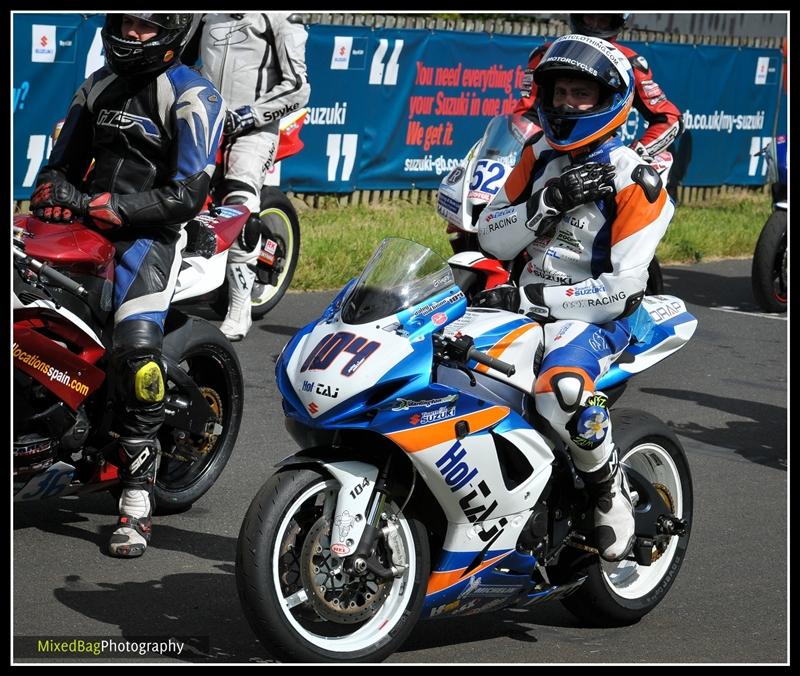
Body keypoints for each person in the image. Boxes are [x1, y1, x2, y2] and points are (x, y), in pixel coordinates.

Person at [29, 13, 225, 557]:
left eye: (144, 27)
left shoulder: (194, 96)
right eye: (124, 24)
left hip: (151, 238)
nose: (130, 36)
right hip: (82, 227)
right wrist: (53, 191)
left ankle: (136, 495)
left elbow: (188, 193)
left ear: (172, 32)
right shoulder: (96, 84)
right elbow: (59, 164)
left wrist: (111, 207)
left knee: (136, 355)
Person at [476, 34, 675, 562]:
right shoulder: (537, 153)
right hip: (521, 303)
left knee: (560, 391)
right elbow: (492, 236)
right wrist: (546, 202)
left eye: (579, 95)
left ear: (610, 101)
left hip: (594, 318)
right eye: (560, 91)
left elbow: (624, 289)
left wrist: (535, 298)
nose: (566, 103)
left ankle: (609, 495)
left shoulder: (638, 180)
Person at [196, 12, 311, 341]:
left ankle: (239, 307)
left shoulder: (280, 17)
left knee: (240, 203)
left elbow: (299, 87)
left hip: (253, 128)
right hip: (206, 119)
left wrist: (250, 115)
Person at [514, 13, 684, 162]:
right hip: (549, 153)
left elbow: (669, 118)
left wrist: (636, 154)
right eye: (589, 17)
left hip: (603, 158)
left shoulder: (628, 62)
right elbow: (525, 114)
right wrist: (529, 154)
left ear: (617, 22)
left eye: (603, 20)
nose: (594, 25)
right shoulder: (545, 55)